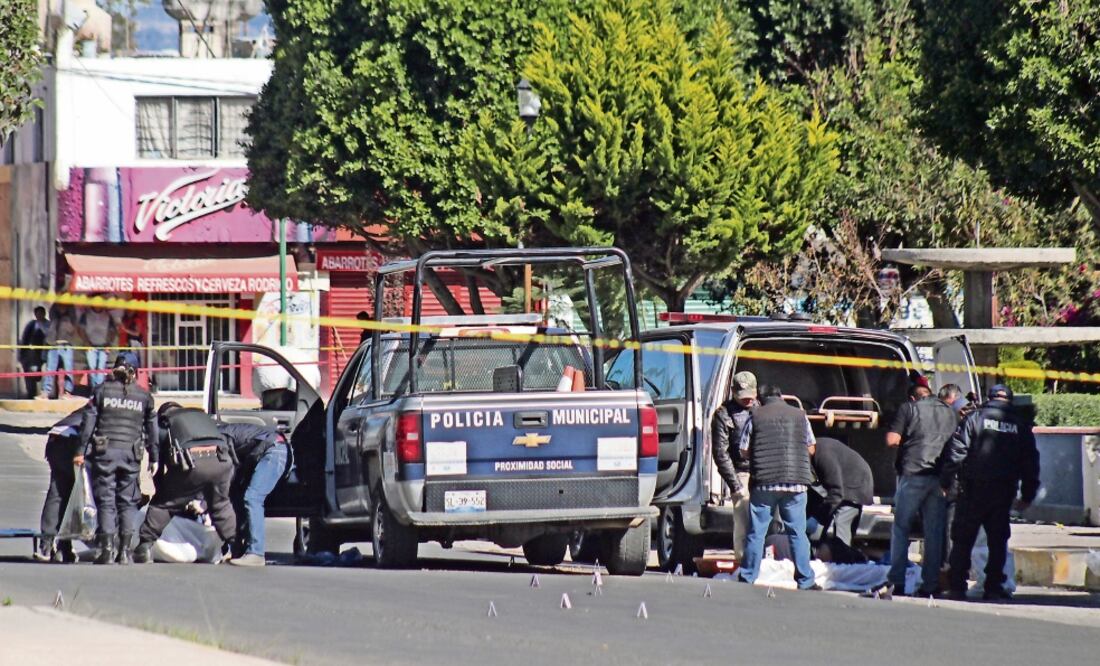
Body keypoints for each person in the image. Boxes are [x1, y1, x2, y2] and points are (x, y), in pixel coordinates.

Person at [941, 384, 1040, 601]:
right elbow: (1030, 462)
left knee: (963, 540)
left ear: (990, 397)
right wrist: (1028, 495)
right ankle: (993, 587)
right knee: (997, 542)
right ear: (1010, 400)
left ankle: (957, 586)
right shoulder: (1020, 425)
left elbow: (956, 451)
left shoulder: (974, 418)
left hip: (973, 490)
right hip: (1003, 493)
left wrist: (946, 482)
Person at [735, 383, 820, 591]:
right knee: (797, 533)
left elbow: (743, 450)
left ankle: (748, 576)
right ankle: (805, 580)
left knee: (757, 533)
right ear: (781, 396)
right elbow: (811, 447)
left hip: (765, 482)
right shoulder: (800, 415)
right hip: (797, 483)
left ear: (760, 399)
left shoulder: (755, 416)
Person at [133, 403, 237, 564]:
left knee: (163, 505)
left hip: (192, 462)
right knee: (221, 505)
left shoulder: (166, 424)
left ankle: (144, 547)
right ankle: (236, 546)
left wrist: (164, 494)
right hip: (222, 461)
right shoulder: (202, 417)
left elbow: (160, 468)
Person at [77, 355, 157, 564]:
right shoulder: (144, 396)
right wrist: (154, 457)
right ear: (137, 372)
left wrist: (79, 450)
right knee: (127, 502)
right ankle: (124, 552)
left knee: (106, 501)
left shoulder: (101, 391)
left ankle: (106, 550)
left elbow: (87, 424)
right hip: (131, 455)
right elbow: (152, 430)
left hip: (105, 453)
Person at [883, 383, 958, 596]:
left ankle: (896, 581)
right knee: (934, 533)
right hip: (940, 478)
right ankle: (930, 585)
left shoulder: (909, 409)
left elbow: (892, 440)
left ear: (913, 398)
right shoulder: (951, 413)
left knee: (901, 528)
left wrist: (907, 440)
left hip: (913, 473)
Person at [218, 422, 291, 567]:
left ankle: (256, 554)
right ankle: (237, 550)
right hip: (272, 449)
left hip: (274, 451)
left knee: (252, 497)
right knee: (237, 497)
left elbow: (228, 466)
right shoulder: (222, 432)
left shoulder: (220, 436)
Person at [711, 371, 757, 559]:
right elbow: (720, 452)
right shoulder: (723, 414)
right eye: (742, 397)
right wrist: (735, 485)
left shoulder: (760, 409)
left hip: (762, 471)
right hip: (741, 472)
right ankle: (744, 560)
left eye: (750, 397)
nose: (747, 401)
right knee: (743, 520)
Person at [34, 405, 88, 563]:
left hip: (56, 438)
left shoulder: (102, 396)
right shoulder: (110, 401)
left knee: (59, 492)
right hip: (72, 442)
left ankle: (49, 545)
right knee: (73, 495)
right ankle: (62, 545)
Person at [807, 437, 873, 547]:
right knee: (822, 515)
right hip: (845, 483)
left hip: (856, 485)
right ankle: (817, 550)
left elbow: (836, 493)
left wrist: (818, 517)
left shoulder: (824, 455)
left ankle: (844, 558)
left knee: (842, 525)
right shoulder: (816, 452)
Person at [39, 304, 80, 399]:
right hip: (54, 344)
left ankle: (67, 392)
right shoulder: (54, 312)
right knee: (50, 369)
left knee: (68, 369)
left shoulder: (71, 313)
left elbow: (74, 325)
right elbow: (51, 320)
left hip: (67, 344)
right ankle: (46, 392)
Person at [80, 305, 117, 388]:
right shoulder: (86, 315)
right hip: (90, 346)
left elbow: (113, 331)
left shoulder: (108, 316)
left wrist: (109, 344)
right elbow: (80, 329)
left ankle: (99, 389)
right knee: (92, 368)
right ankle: (94, 389)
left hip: (104, 346)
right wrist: (86, 343)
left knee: (101, 368)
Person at [19, 306, 49, 398]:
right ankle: (31, 394)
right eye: (37, 313)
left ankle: (45, 392)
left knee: (40, 374)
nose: (39, 315)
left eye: (41, 313)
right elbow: (24, 339)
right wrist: (22, 354)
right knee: (29, 374)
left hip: (44, 353)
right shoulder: (31, 324)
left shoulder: (48, 325)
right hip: (30, 354)